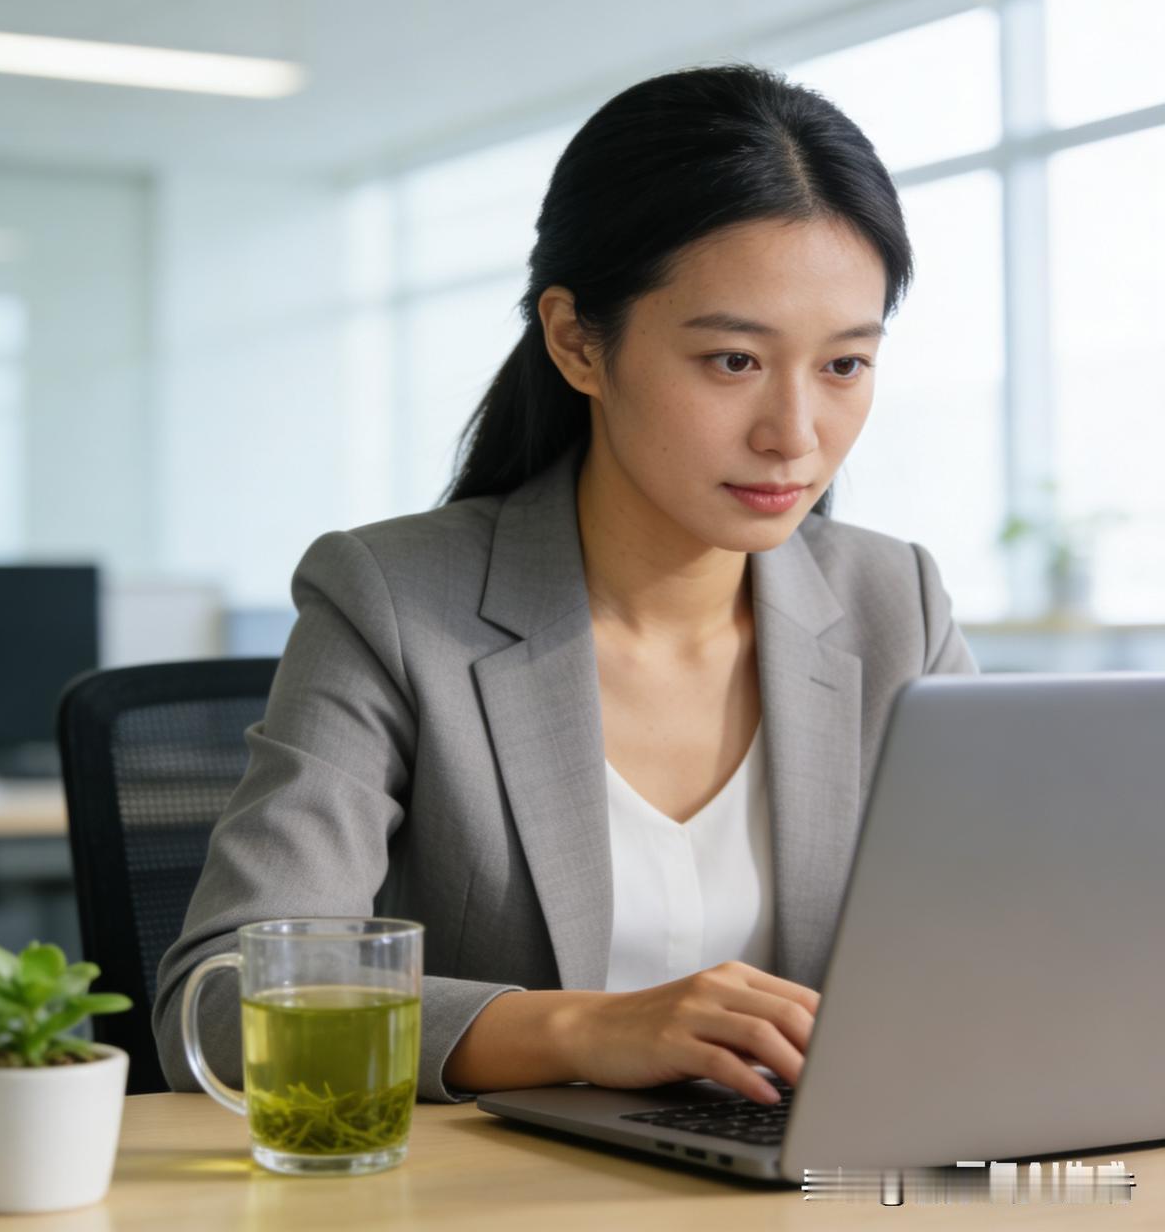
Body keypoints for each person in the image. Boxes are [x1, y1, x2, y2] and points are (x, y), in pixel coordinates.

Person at [153, 62, 977, 1109]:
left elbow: (1016, 939)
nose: (794, 434)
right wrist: (587, 1028)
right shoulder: (395, 601)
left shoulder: (892, 603)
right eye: (731, 360)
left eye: (843, 365)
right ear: (576, 341)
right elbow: (222, 1003)